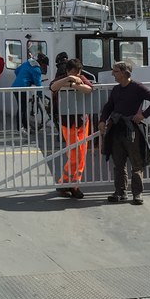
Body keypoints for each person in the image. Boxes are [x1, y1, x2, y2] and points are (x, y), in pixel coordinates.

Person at [98, 60, 150, 206]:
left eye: (115, 71)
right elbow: (109, 106)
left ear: (124, 73)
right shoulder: (116, 89)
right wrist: (102, 120)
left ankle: (137, 193)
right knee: (118, 163)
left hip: (132, 130)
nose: (112, 73)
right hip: (117, 130)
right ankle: (120, 192)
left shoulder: (137, 87)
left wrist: (143, 115)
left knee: (136, 163)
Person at [49, 59, 94, 198]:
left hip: (82, 121)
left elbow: (89, 89)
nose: (77, 74)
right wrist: (68, 79)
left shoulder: (82, 78)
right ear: (68, 71)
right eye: (74, 72)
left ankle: (71, 184)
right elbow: (53, 87)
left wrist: (75, 85)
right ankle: (67, 184)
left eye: (79, 72)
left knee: (82, 154)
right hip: (67, 122)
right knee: (74, 154)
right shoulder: (62, 79)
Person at [12, 53, 43, 132]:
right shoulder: (37, 69)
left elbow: (16, 71)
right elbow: (38, 84)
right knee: (22, 108)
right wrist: (41, 95)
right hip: (22, 87)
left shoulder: (27, 63)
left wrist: (23, 77)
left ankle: (25, 126)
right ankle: (20, 128)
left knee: (23, 107)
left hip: (15, 86)